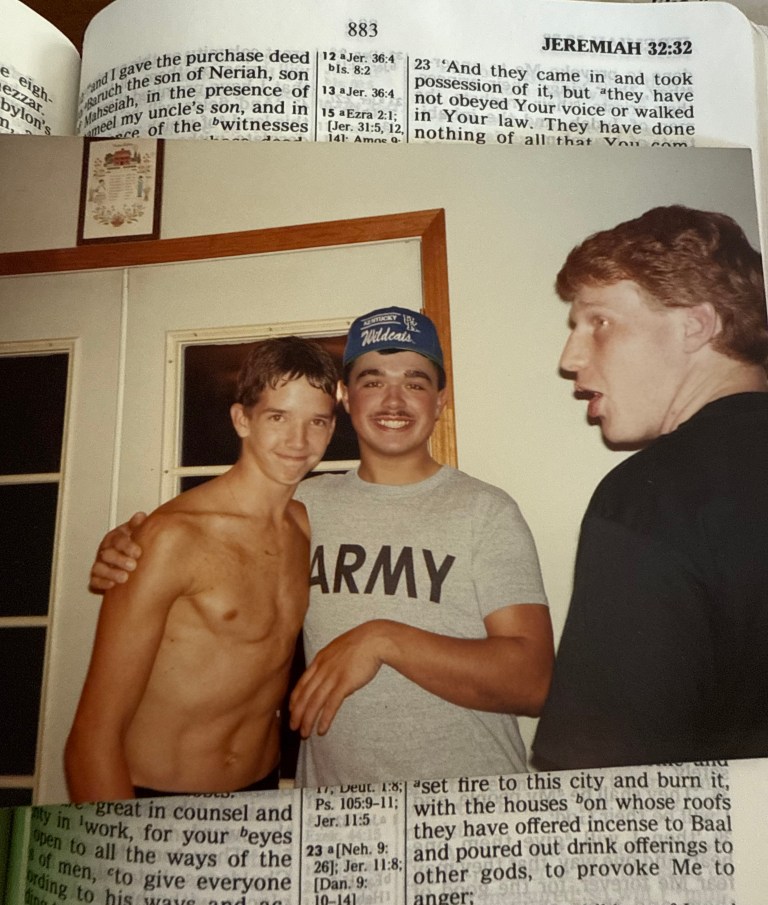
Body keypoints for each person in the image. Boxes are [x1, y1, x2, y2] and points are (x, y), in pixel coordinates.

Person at [92, 307, 554, 786]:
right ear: (346, 399)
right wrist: (132, 542)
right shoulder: (302, 507)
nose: (393, 400)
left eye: (415, 383)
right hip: (331, 812)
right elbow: (212, 526)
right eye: (372, 381)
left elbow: (534, 683)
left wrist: (383, 640)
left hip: (465, 804)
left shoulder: (486, 511)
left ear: (439, 401)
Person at [532, 205, 768, 770]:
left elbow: (601, 779)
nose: (569, 359)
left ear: (696, 325)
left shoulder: (648, 497)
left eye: (599, 322)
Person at [66, 337, 337, 800]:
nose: (299, 441)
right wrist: (123, 841)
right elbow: (92, 738)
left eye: (317, 421)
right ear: (242, 419)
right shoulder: (171, 538)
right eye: (278, 417)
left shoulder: (309, 527)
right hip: (159, 797)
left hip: (262, 789)